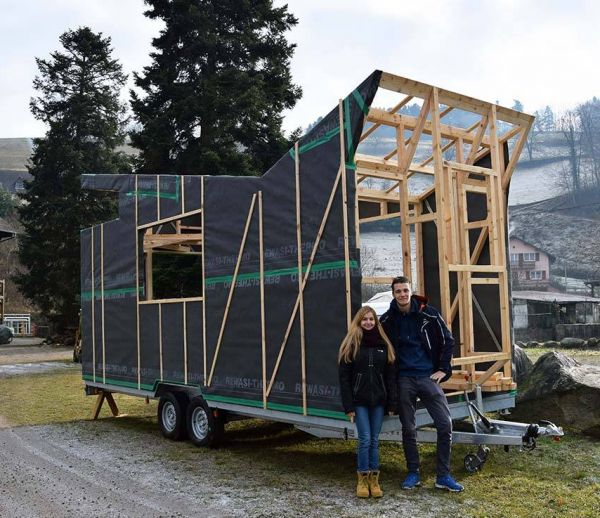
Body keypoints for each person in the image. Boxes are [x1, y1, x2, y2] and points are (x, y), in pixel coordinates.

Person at [380, 276, 464, 492]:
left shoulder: (429, 313)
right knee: (408, 428)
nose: (402, 294)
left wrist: (443, 369)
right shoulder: (388, 319)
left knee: (445, 424)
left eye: (405, 290)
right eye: (398, 291)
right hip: (404, 378)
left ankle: (443, 476)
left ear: (411, 291)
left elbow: (448, 341)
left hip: (427, 376)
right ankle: (413, 472)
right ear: (393, 294)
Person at [338, 306, 397, 498]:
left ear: (376, 322)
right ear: (359, 322)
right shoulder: (351, 345)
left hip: (379, 401)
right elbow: (344, 379)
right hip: (359, 401)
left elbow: (390, 377)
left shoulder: (383, 345)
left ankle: (374, 479)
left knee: (374, 440)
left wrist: (391, 404)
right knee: (364, 439)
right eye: (365, 319)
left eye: (372, 319)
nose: (369, 322)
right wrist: (348, 406)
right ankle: (362, 479)